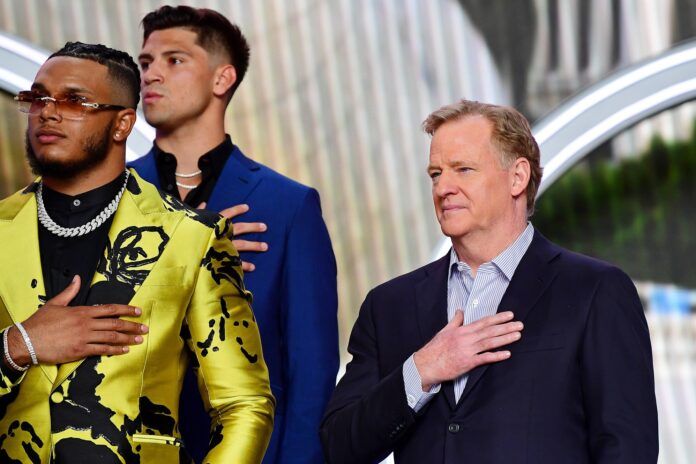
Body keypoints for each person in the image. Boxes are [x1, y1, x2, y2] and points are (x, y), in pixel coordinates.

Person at [320, 100, 658, 463]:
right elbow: (339, 445)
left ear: (517, 177)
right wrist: (421, 370)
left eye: (463, 169)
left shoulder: (595, 291)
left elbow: (627, 449)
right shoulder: (389, 305)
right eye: (435, 174)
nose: (443, 187)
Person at [0, 41, 274, 463]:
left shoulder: (192, 236)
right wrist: (19, 346)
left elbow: (244, 403)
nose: (47, 112)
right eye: (37, 97)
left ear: (123, 124)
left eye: (74, 100)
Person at [129, 6, 339, 463]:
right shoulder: (108, 198)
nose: (152, 74)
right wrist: (186, 254)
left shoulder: (290, 206)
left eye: (174, 60)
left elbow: (312, 373)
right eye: (146, 62)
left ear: (222, 79)